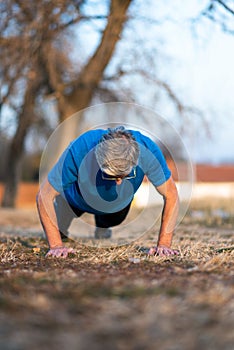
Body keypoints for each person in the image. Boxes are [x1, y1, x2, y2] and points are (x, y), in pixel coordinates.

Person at [36, 126, 179, 258]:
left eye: (124, 176)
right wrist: (55, 246)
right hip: (75, 199)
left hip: (116, 204)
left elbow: (171, 195)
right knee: (59, 231)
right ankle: (63, 212)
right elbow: (44, 195)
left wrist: (164, 244)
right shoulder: (80, 149)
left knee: (115, 216)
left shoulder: (148, 151)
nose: (118, 182)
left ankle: (102, 225)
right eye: (111, 175)